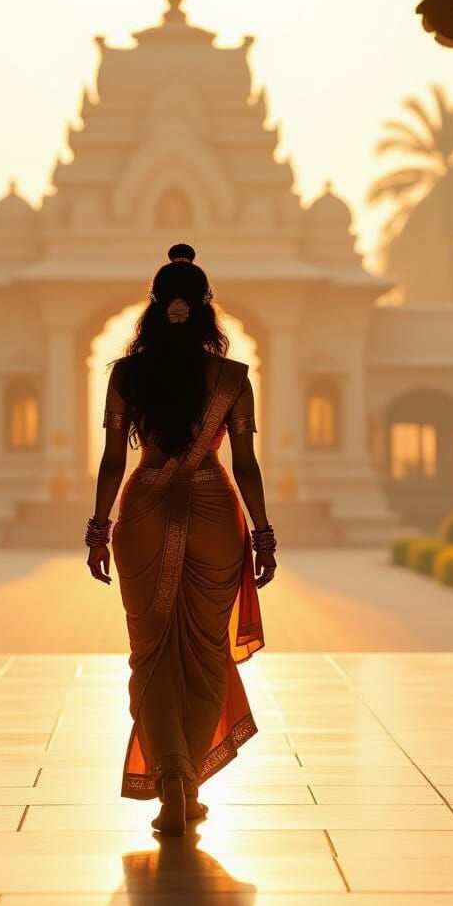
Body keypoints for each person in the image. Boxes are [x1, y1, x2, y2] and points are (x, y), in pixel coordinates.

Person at [86, 243, 276, 836]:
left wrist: (99, 529)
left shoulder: (127, 374)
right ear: (203, 311)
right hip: (214, 512)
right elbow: (244, 464)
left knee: (151, 651)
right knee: (204, 650)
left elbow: (114, 461)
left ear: (154, 309)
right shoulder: (231, 378)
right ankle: (187, 776)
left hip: (143, 513)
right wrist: (264, 533)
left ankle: (168, 774)